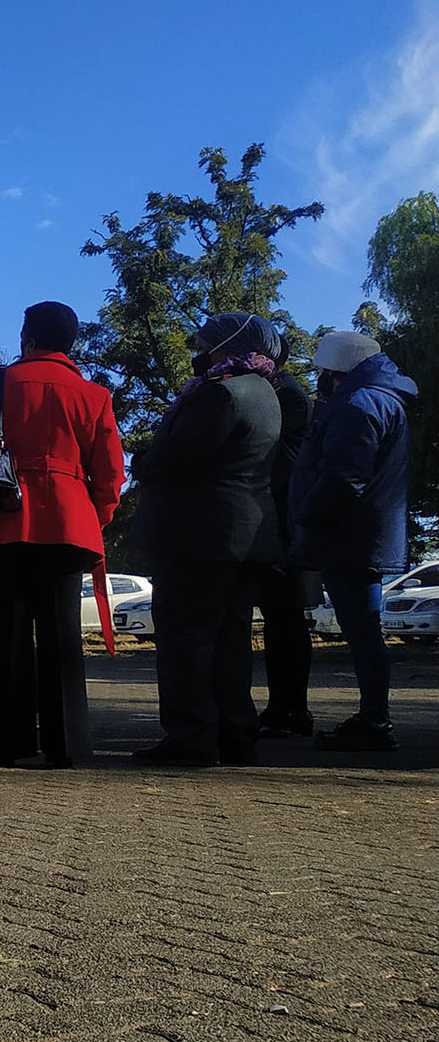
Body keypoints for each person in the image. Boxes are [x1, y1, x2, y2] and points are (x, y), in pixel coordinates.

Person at [0, 301, 125, 767]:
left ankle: (10, 744)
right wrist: (97, 515)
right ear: (72, 343)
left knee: (6, 637)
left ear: (26, 337)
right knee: (62, 635)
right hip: (69, 520)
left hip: (3, 519)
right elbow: (110, 473)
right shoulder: (94, 395)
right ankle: (67, 745)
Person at [133, 313, 283, 767]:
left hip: (200, 533)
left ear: (224, 345)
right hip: (244, 535)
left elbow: (173, 457)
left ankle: (191, 736)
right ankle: (237, 735)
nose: (200, 349)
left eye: (205, 342)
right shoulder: (266, 393)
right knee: (231, 639)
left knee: (186, 638)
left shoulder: (220, 393)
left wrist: (142, 459)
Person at [290, 330, 418, 752]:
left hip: (348, 537)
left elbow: (344, 477)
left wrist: (307, 515)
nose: (320, 379)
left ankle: (374, 721)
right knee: (366, 629)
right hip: (370, 535)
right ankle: (373, 717)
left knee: (362, 631)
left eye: (323, 372)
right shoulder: (387, 401)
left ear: (334, 370)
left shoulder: (356, 405)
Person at [254, 328, 316, 738]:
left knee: (286, 619)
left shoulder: (287, 397)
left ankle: (291, 709)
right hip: (277, 518)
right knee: (280, 619)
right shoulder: (283, 392)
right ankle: (283, 707)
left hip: (283, 520)